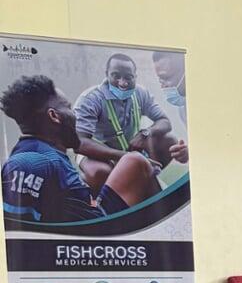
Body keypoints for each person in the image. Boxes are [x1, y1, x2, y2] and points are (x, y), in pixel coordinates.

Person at [1, 74, 160, 224]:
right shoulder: (29, 163)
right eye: (68, 107)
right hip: (97, 237)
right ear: (54, 116)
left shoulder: (38, 153)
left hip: (89, 222)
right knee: (134, 161)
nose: (75, 115)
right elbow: (22, 232)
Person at [74, 51, 186, 189]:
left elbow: (164, 122)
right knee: (99, 172)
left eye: (128, 77)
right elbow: (80, 143)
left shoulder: (140, 93)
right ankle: (102, 198)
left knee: (169, 142)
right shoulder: (91, 99)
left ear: (135, 76)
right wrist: (126, 157)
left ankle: (141, 185)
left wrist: (145, 133)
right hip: (99, 154)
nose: (122, 83)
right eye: (116, 76)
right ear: (107, 74)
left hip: (129, 149)